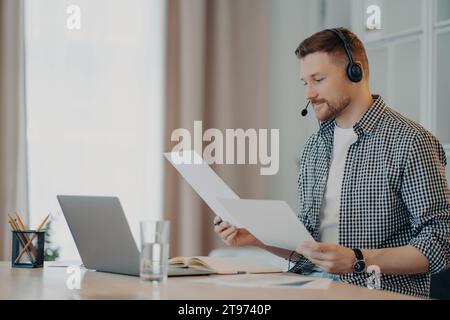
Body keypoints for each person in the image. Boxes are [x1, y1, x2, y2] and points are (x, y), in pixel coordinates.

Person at [213, 27, 450, 298]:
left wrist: (356, 259)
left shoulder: (410, 142)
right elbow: (307, 250)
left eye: (318, 79)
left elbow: (440, 243)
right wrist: (255, 238)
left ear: (355, 72)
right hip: (310, 288)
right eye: (305, 82)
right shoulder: (315, 147)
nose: (308, 94)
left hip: (375, 292)